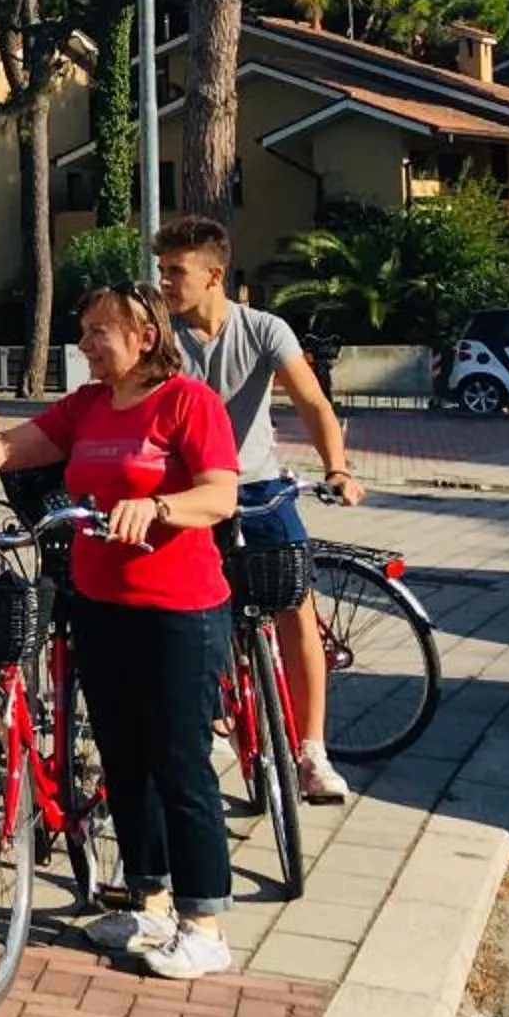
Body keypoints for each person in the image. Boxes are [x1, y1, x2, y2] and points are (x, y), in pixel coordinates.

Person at [0, 284, 245, 981]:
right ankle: (147, 902)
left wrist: (159, 507)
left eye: (100, 333)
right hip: (100, 601)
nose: (87, 344)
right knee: (122, 755)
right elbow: (15, 448)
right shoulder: (89, 404)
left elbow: (219, 494)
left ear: (144, 337)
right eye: (84, 331)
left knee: (178, 761)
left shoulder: (186, 401)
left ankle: (204, 922)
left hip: (179, 608)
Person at [157, 214, 367, 804]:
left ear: (214, 274)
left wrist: (338, 468)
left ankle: (311, 751)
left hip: (258, 487)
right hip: (194, 495)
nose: (166, 284)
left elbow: (313, 403)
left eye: (177, 272)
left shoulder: (263, 329)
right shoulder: (163, 338)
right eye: (162, 271)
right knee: (193, 612)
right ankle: (213, 714)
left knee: (295, 607)